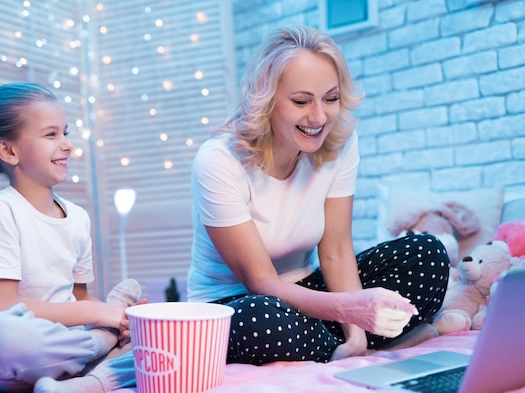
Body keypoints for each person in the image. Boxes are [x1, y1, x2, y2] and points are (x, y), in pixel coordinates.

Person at [187, 25, 449, 365]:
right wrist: (351, 307)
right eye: (300, 101)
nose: (319, 117)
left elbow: (338, 251)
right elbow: (262, 282)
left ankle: (338, 345)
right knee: (262, 320)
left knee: (426, 253)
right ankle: (368, 341)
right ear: (266, 101)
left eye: (331, 98)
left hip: (310, 291)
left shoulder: (339, 143)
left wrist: (355, 332)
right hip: (238, 303)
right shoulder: (218, 160)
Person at [0, 82, 144, 393]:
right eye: (51, 135)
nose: (67, 145)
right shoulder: (1, 211)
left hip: (66, 349)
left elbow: (77, 298)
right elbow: (1, 308)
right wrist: (100, 314)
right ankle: (100, 346)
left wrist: (120, 320)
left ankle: (81, 378)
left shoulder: (78, 218)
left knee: (152, 341)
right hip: (18, 354)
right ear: (9, 151)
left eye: (65, 133)